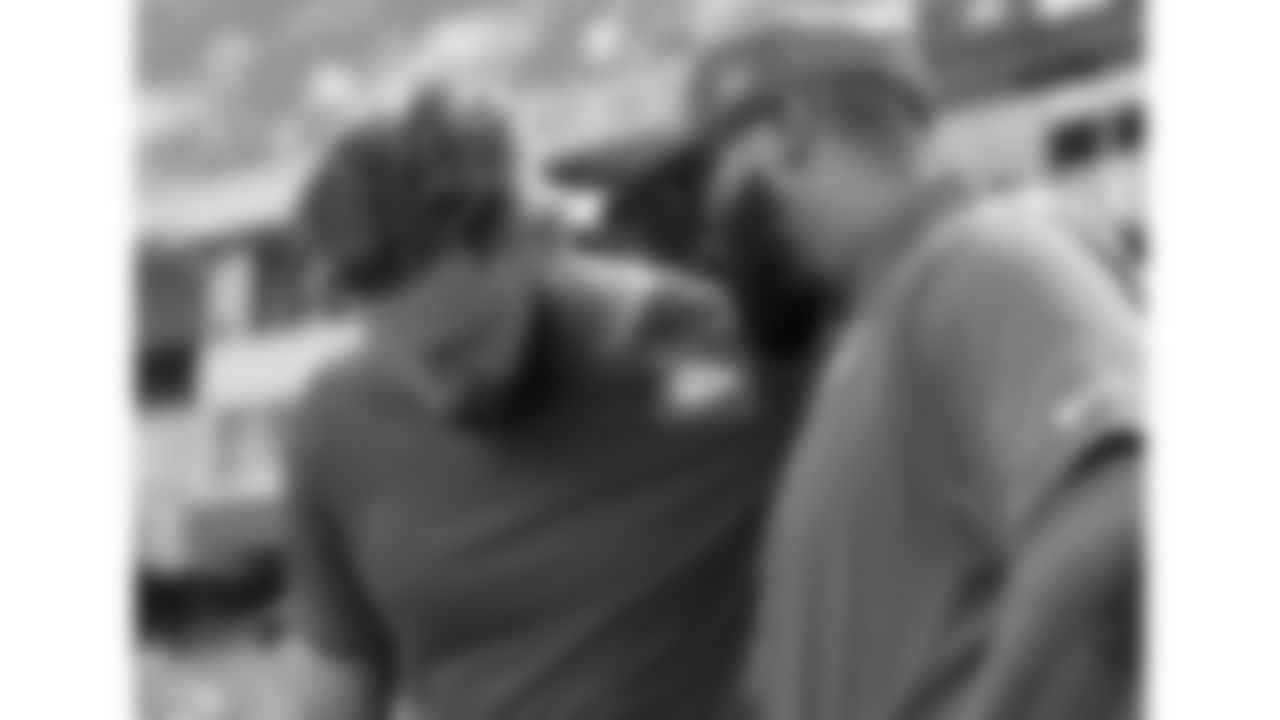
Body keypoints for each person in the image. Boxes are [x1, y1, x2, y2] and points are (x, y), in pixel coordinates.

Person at [654, 22, 1143, 720]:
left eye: (714, 171)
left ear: (791, 129)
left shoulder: (980, 258)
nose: (708, 218)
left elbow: (1121, 505)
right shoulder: (879, 333)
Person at [284, 90, 818, 720]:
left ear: (538, 242)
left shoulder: (696, 359)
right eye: (397, 359)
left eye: (462, 347)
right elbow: (340, 676)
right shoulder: (336, 421)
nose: (438, 394)